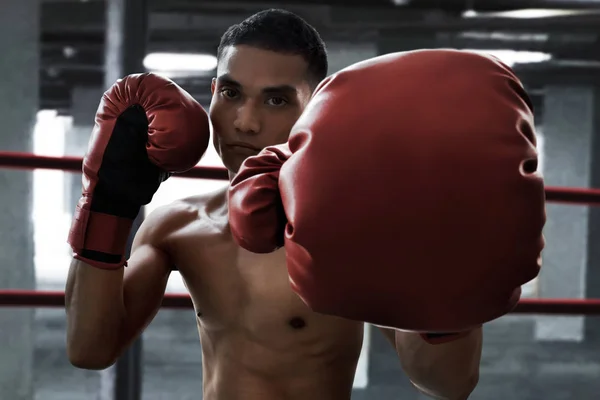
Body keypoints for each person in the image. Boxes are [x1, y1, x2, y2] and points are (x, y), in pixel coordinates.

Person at [65, 8, 482, 400]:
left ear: (315, 107)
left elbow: (447, 381)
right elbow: (90, 349)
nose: (245, 121)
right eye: (231, 92)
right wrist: (108, 202)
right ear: (211, 92)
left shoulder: (348, 230)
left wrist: (436, 263)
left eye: (276, 100)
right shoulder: (176, 226)